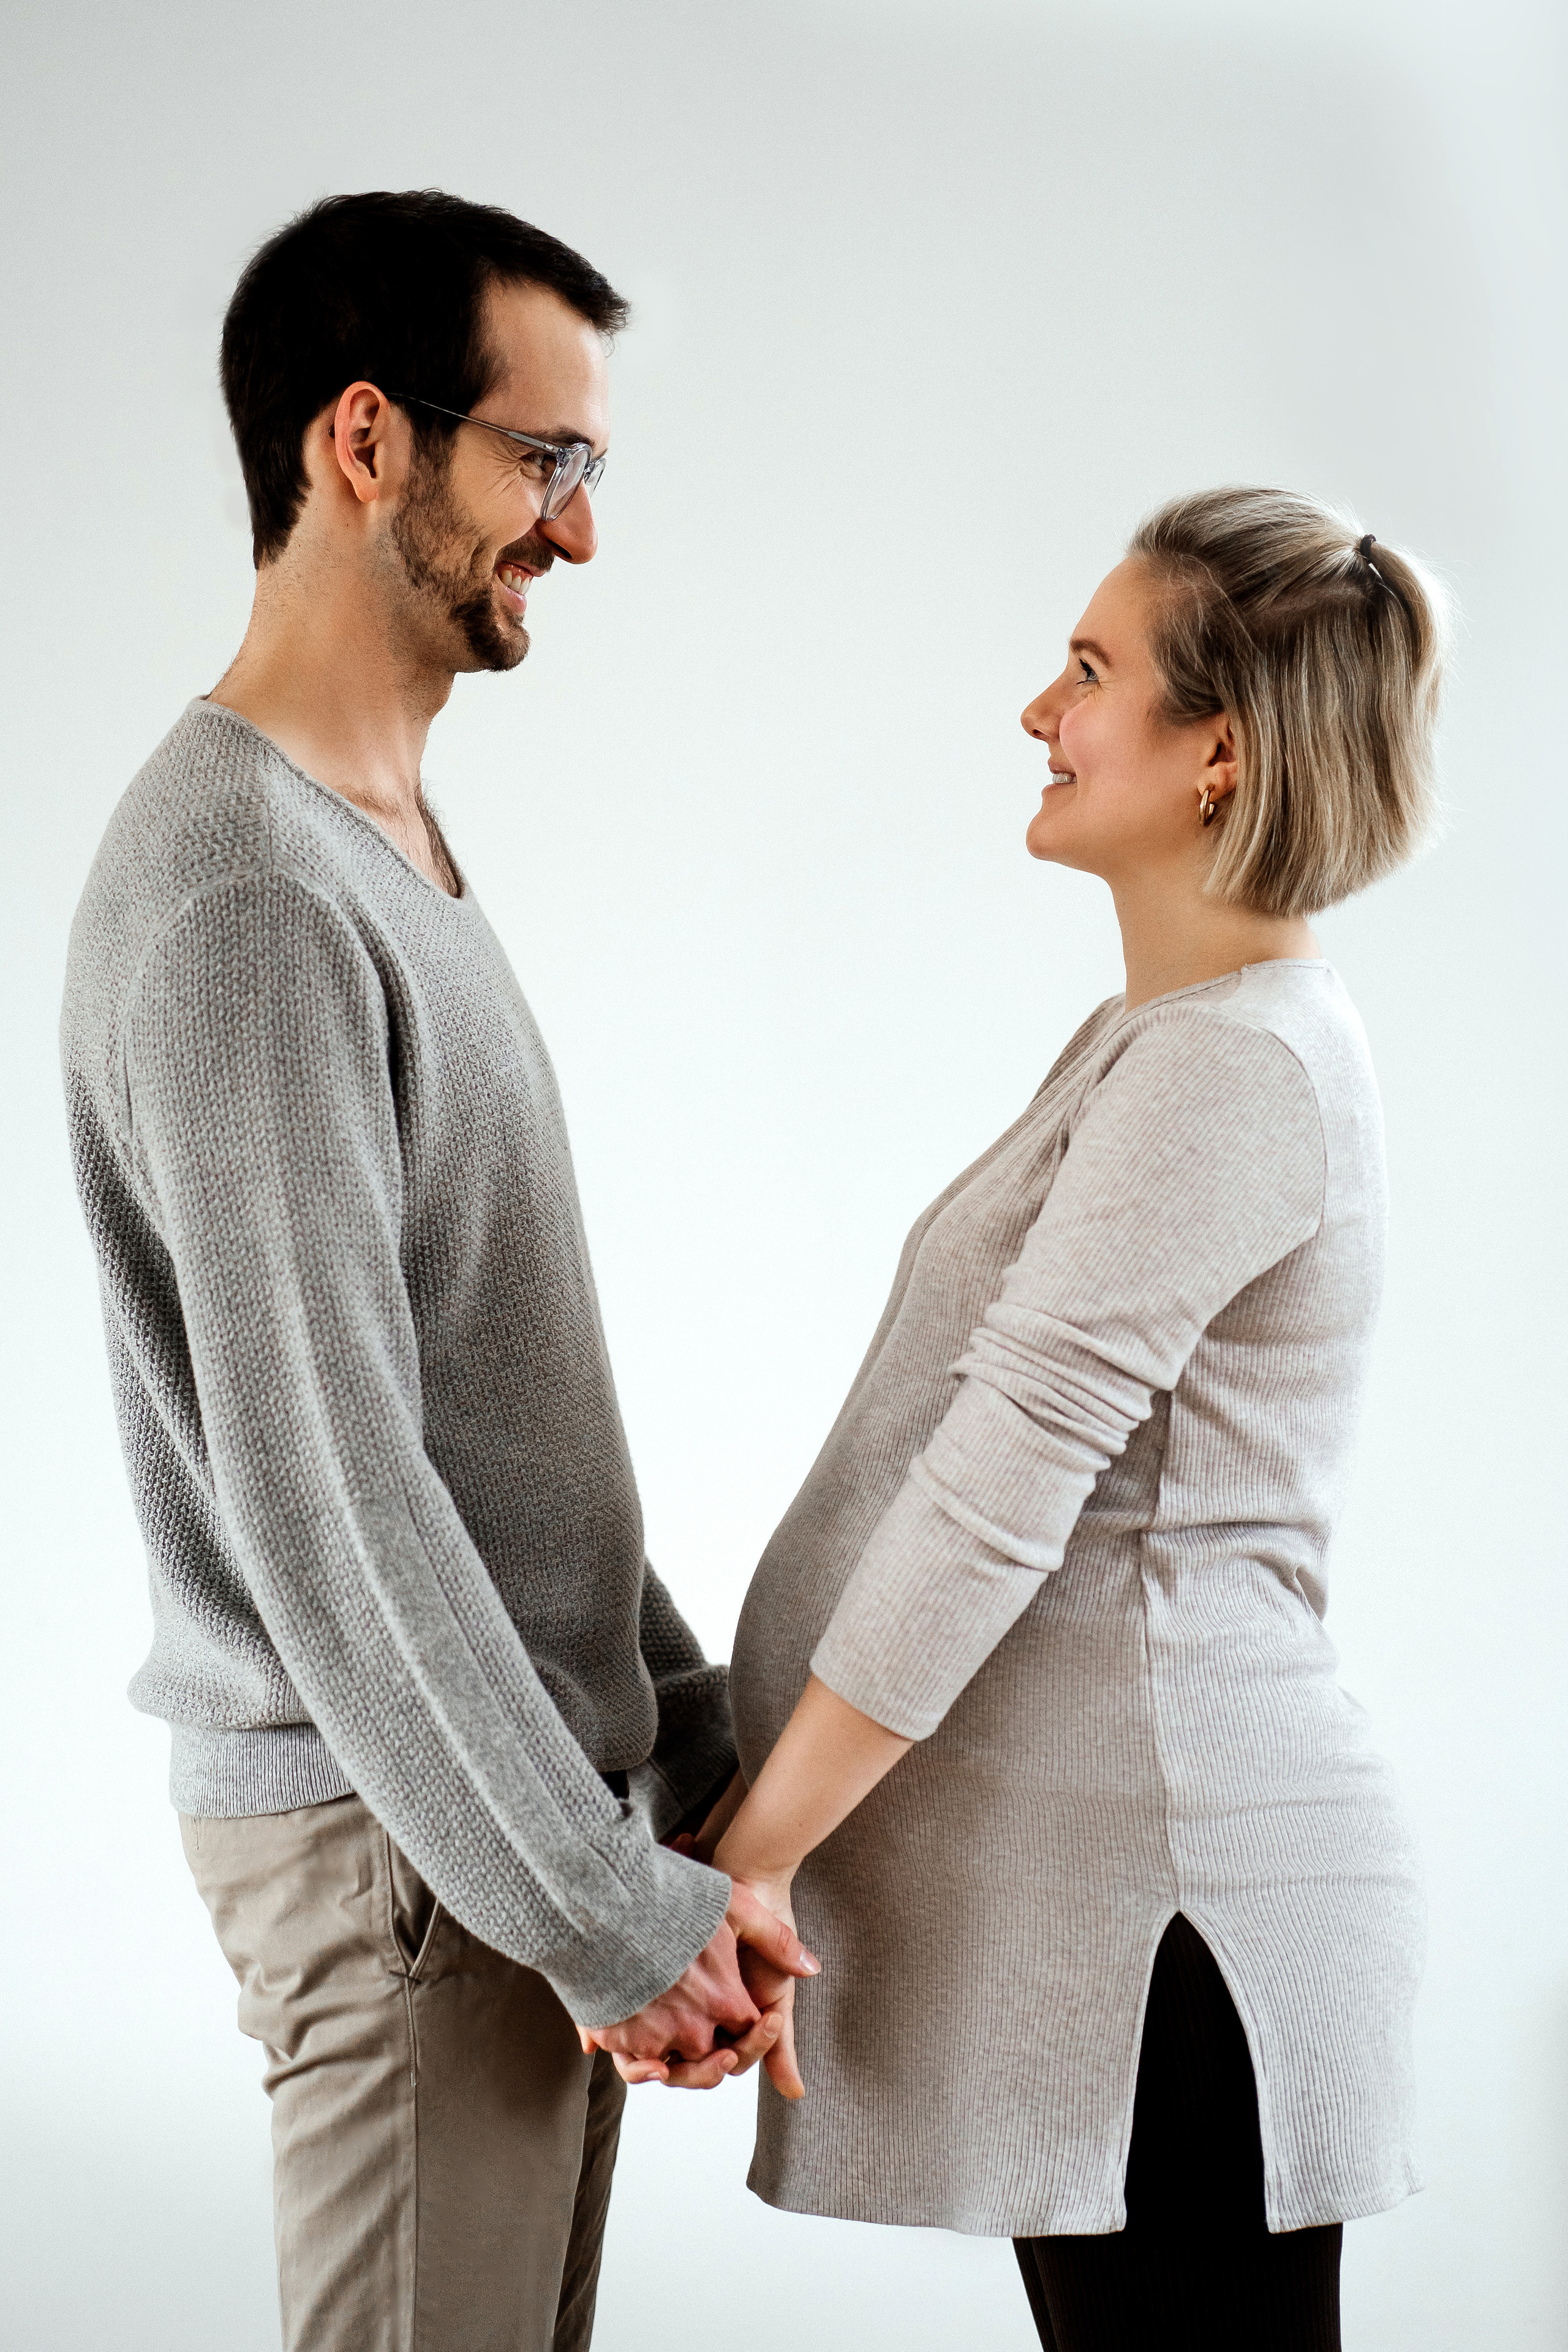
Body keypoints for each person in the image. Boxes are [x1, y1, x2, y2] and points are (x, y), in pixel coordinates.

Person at [59, 189, 814, 2352]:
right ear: (366, 444)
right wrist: (594, 1906)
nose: (577, 535)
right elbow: (330, 1493)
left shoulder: (380, 843)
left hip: (490, 1847)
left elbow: (492, 1420)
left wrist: (676, 1749)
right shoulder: (247, 894)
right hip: (417, 1861)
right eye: (545, 464)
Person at [703, 489, 1446, 2351]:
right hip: (1128, 1910)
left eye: (1093, 672)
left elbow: (991, 1496)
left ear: (1222, 752)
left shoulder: (1231, 1067)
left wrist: (758, 1851)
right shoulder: (1174, 1040)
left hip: (1177, 1928)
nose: (1041, 710)